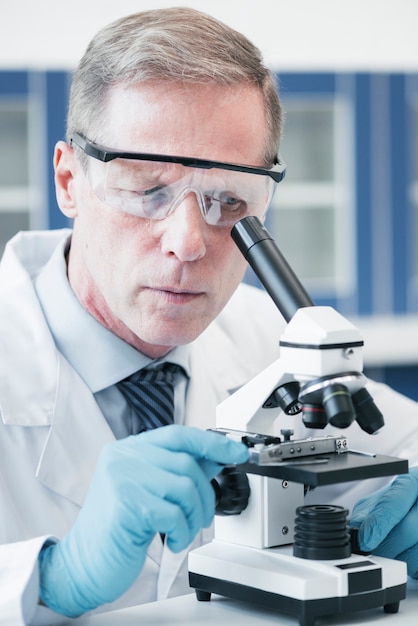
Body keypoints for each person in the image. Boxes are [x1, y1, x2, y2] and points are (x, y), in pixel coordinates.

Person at [0, 6, 417, 625]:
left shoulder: (269, 341)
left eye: (229, 200)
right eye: (147, 190)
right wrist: (51, 578)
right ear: (69, 181)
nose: (190, 242)